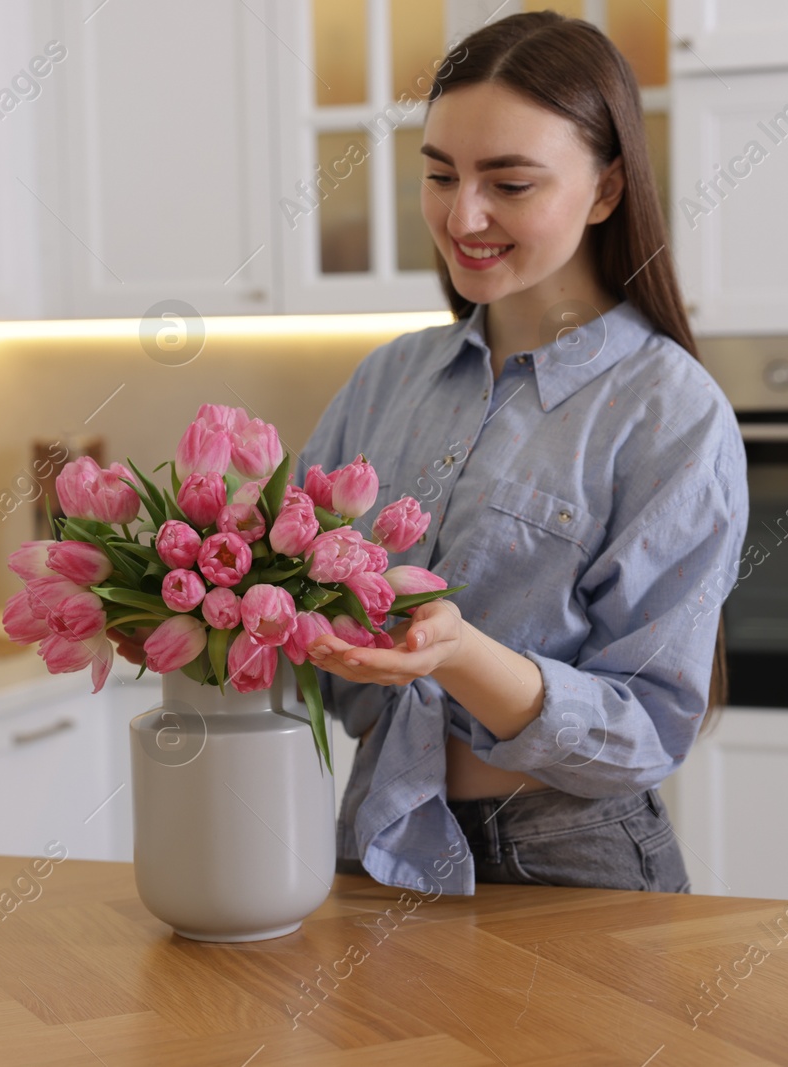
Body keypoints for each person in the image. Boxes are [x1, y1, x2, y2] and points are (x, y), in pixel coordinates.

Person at [114, 10, 747, 896]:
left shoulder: (670, 413)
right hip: (373, 834)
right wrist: (179, 601)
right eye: (440, 175)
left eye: (510, 183)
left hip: (568, 858)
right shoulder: (389, 381)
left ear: (605, 189)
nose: (463, 215)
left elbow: (647, 727)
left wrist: (458, 654)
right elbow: (292, 611)